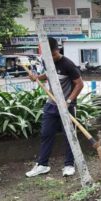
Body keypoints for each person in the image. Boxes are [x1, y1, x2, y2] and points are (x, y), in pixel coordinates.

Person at [25, 37, 84, 177]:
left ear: (57, 51)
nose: (49, 58)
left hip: (67, 106)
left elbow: (80, 84)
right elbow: (51, 74)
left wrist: (68, 101)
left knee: (70, 135)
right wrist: (38, 77)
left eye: (52, 54)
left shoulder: (68, 64)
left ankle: (69, 164)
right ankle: (42, 165)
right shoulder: (47, 60)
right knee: (46, 134)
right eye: (46, 55)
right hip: (51, 105)